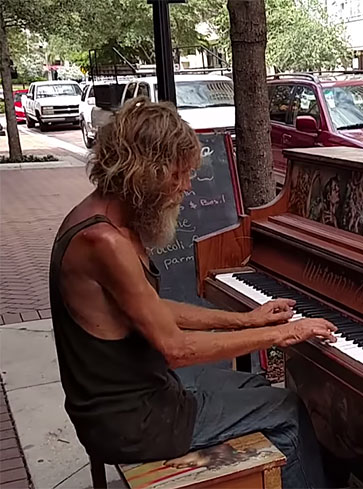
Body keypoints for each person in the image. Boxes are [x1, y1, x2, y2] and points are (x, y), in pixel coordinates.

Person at [49, 97, 338, 488]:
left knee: (254, 385)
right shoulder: (104, 241)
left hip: (135, 400)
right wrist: (283, 334)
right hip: (135, 422)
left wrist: (245, 320)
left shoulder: (102, 218)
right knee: (287, 409)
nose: (186, 186)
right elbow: (176, 350)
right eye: (178, 174)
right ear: (146, 171)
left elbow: (150, 307)